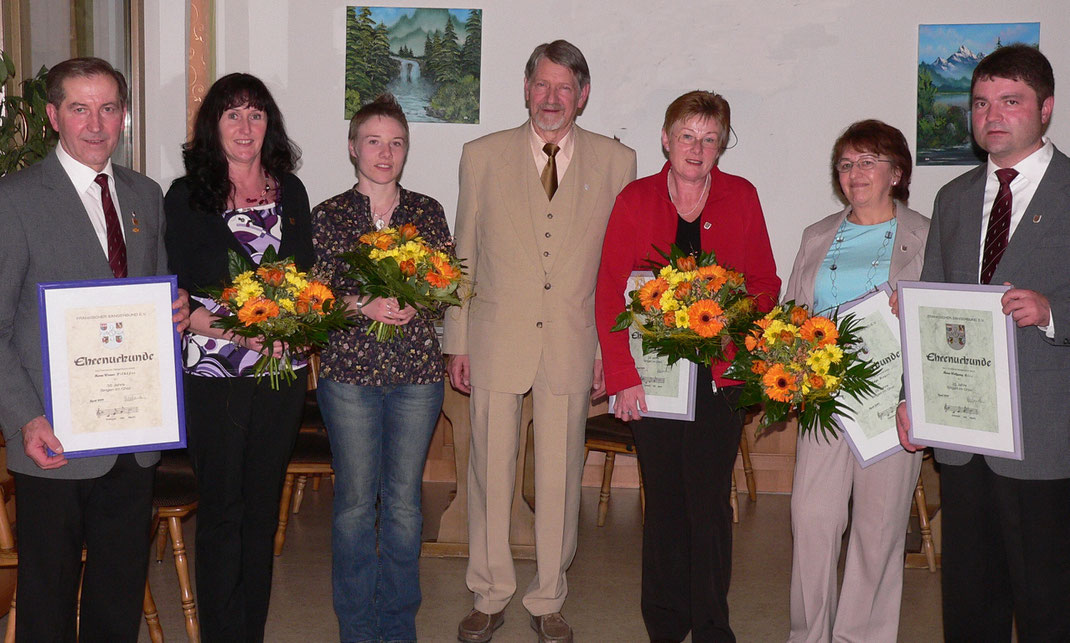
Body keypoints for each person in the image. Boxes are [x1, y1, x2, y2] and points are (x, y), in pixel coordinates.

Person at [443, 39, 636, 643]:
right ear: (526, 89)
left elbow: (617, 269)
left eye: (565, 88)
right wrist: (457, 341)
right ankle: (489, 591)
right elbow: (462, 256)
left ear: (582, 95)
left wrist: (612, 350)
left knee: (559, 476)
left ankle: (549, 595)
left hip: (574, 344)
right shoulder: (482, 155)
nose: (552, 99)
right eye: (541, 85)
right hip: (495, 338)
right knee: (488, 474)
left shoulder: (616, 161)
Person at [0, 57, 189, 642]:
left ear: (123, 117)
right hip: (52, 437)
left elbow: (154, 292)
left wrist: (173, 313)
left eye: (108, 108)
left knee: (118, 593)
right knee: (48, 598)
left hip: (131, 440)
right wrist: (25, 419)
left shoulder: (145, 194)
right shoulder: (15, 199)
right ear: (54, 116)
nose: (95, 123)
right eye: (80, 108)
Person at [896, 44, 1070, 641]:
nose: (992, 115)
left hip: (1046, 437)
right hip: (962, 432)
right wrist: (909, 398)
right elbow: (931, 305)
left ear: (1045, 108)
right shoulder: (955, 198)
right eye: (980, 104)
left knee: (1049, 600)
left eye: (1010, 101)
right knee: (971, 602)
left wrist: (1054, 312)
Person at [595, 90, 780, 643]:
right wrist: (622, 377)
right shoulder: (635, 199)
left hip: (719, 382)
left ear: (721, 144)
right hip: (651, 382)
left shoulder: (741, 197)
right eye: (687, 136)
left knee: (709, 505)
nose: (697, 149)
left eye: (709, 138)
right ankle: (665, 624)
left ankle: (712, 624)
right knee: (665, 504)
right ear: (665, 139)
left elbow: (766, 286)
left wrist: (735, 322)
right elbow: (608, 294)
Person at [163, 73, 312, 642]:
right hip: (215, 373)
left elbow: (305, 279)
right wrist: (244, 333)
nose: (245, 127)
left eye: (255, 114)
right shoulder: (185, 195)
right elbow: (179, 296)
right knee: (223, 511)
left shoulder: (290, 190)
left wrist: (299, 330)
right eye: (232, 115)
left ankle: (250, 631)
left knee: (261, 509)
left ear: (268, 123)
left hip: (282, 375)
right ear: (213, 126)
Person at [311, 94, 451, 643]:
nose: (385, 152)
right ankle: (356, 629)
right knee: (352, 505)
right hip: (350, 378)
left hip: (417, 376)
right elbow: (316, 296)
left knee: (403, 506)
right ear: (353, 148)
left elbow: (446, 284)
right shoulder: (328, 215)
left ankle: (397, 629)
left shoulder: (427, 212)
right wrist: (359, 305)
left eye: (396, 143)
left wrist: (423, 298)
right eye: (374, 141)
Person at [784, 120, 928, 643]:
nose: (855, 173)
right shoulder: (817, 235)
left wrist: (911, 307)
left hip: (892, 404)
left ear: (898, 172)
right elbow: (791, 314)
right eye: (846, 164)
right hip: (824, 399)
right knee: (812, 522)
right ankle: (809, 635)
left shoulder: (929, 235)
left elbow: (943, 322)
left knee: (878, 531)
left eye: (868, 161)